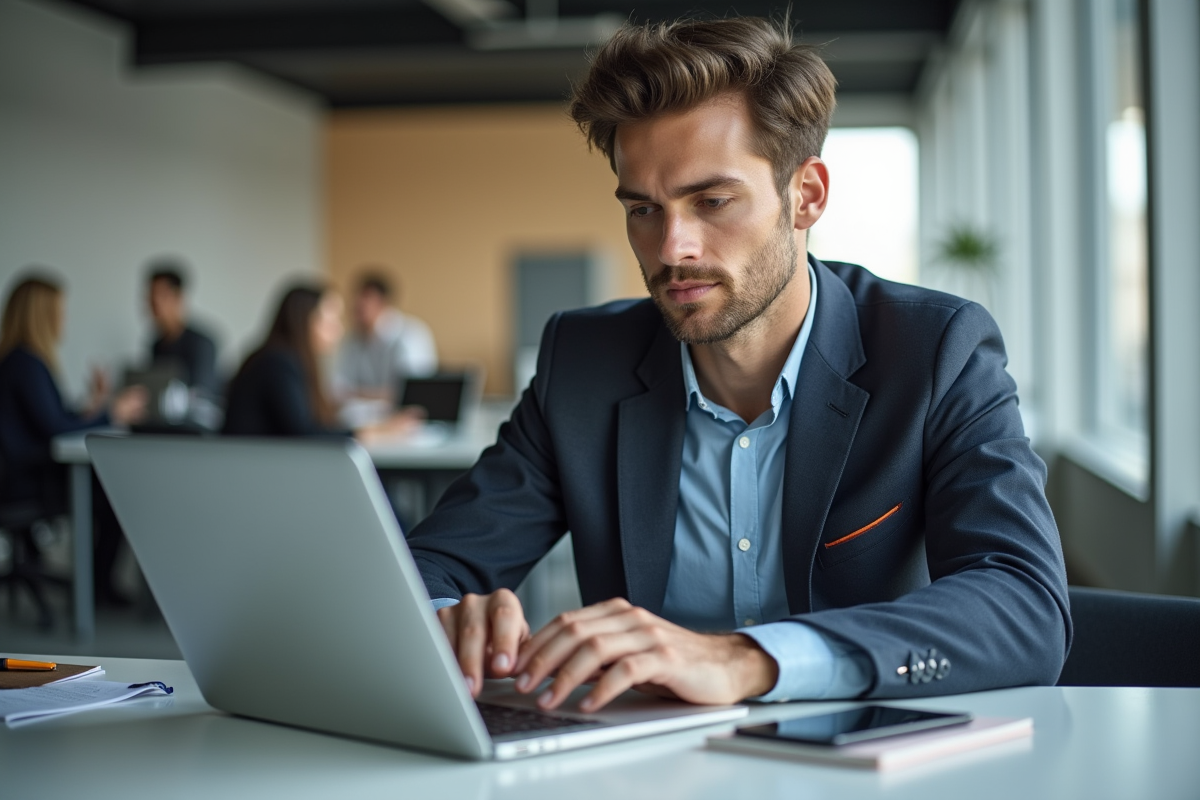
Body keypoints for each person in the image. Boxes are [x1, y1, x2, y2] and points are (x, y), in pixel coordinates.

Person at [407, 17, 1071, 714]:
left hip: (865, 761)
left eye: (712, 200)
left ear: (806, 196)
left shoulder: (936, 350)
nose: (673, 247)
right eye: (643, 209)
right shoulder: (584, 363)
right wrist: (451, 614)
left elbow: (1024, 603)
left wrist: (748, 659)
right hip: (644, 767)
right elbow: (428, 568)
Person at [0, 271, 146, 605]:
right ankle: (96, 589)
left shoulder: (19, 362)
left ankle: (98, 586)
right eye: (60, 311)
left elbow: (55, 417)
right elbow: (54, 427)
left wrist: (95, 404)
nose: (63, 319)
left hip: (20, 476)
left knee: (110, 491)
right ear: (44, 315)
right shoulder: (26, 364)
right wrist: (112, 413)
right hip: (29, 483)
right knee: (116, 495)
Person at [223, 283, 419, 443]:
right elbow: (306, 434)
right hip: (255, 473)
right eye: (331, 319)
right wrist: (377, 432)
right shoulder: (277, 364)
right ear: (305, 321)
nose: (339, 329)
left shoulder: (284, 359)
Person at [334, 272, 438, 403]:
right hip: (360, 418)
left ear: (383, 302)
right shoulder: (353, 338)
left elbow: (411, 392)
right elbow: (339, 388)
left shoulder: (411, 335)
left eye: (365, 299)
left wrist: (357, 393)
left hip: (403, 419)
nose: (357, 305)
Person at [146, 260, 218, 397]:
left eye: (161, 296)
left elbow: (202, 395)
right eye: (151, 296)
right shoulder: (156, 345)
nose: (154, 303)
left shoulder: (202, 345)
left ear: (178, 298)